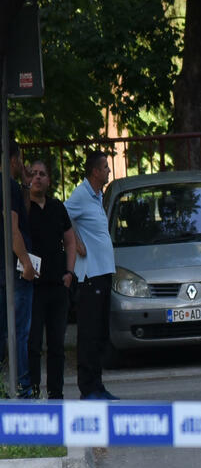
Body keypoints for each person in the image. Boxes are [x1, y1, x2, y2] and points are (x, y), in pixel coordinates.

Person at [64, 150, 118, 400]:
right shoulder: (81, 194)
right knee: (89, 334)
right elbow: (62, 216)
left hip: (103, 273)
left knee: (100, 333)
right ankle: (88, 389)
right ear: (95, 171)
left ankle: (97, 386)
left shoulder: (97, 196)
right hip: (90, 276)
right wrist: (75, 242)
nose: (109, 171)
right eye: (105, 167)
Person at [27, 160, 76, 399]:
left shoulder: (57, 207)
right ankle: (33, 393)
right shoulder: (22, 208)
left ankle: (56, 395)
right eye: (33, 173)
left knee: (56, 345)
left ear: (49, 180)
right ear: (27, 179)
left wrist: (69, 273)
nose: (37, 177)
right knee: (33, 344)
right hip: (32, 287)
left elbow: (70, 240)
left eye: (42, 174)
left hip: (58, 286)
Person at [0, 140, 36, 398]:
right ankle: (23, 389)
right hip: (14, 271)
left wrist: (25, 184)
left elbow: (23, 213)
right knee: (18, 333)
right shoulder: (8, 185)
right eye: (20, 159)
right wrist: (26, 263)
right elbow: (14, 229)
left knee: (6, 332)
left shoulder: (13, 187)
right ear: (13, 160)